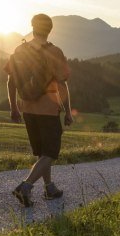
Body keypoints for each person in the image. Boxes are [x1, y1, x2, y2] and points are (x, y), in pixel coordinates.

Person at [6, 13, 72, 207]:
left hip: (27, 108)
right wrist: (68, 111)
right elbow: (63, 85)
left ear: (32, 27)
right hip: (48, 109)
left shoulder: (20, 50)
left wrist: (13, 108)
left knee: (41, 152)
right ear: (50, 30)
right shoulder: (55, 52)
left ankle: (49, 187)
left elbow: (11, 82)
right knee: (50, 153)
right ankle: (25, 186)